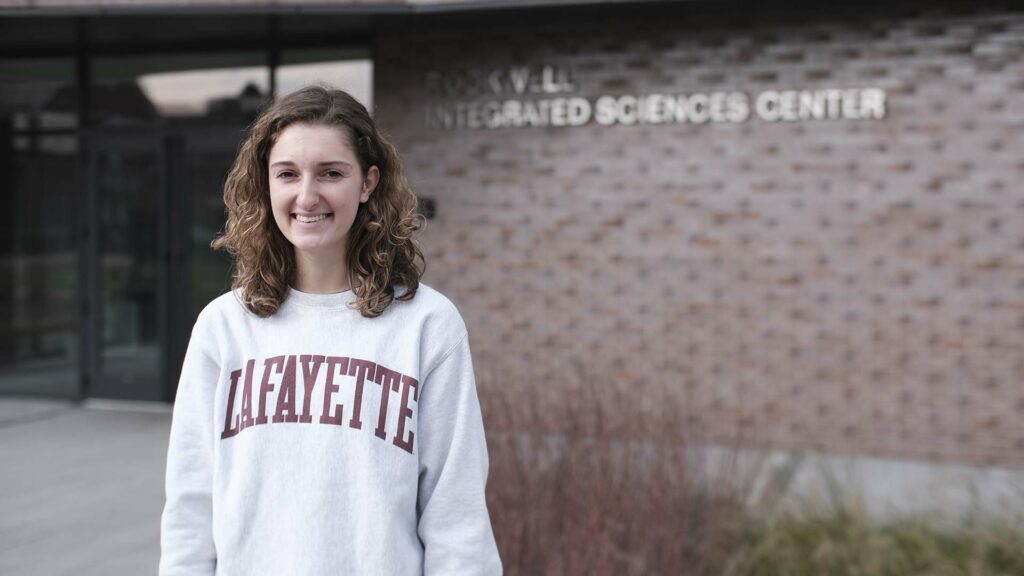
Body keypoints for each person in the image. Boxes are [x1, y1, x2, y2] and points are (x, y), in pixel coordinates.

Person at [159, 84, 502, 576]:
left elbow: (457, 515)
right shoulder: (223, 327)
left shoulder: (427, 325)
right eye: (287, 174)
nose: (307, 195)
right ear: (267, 185)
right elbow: (191, 510)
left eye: (331, 173)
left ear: (368, 183)